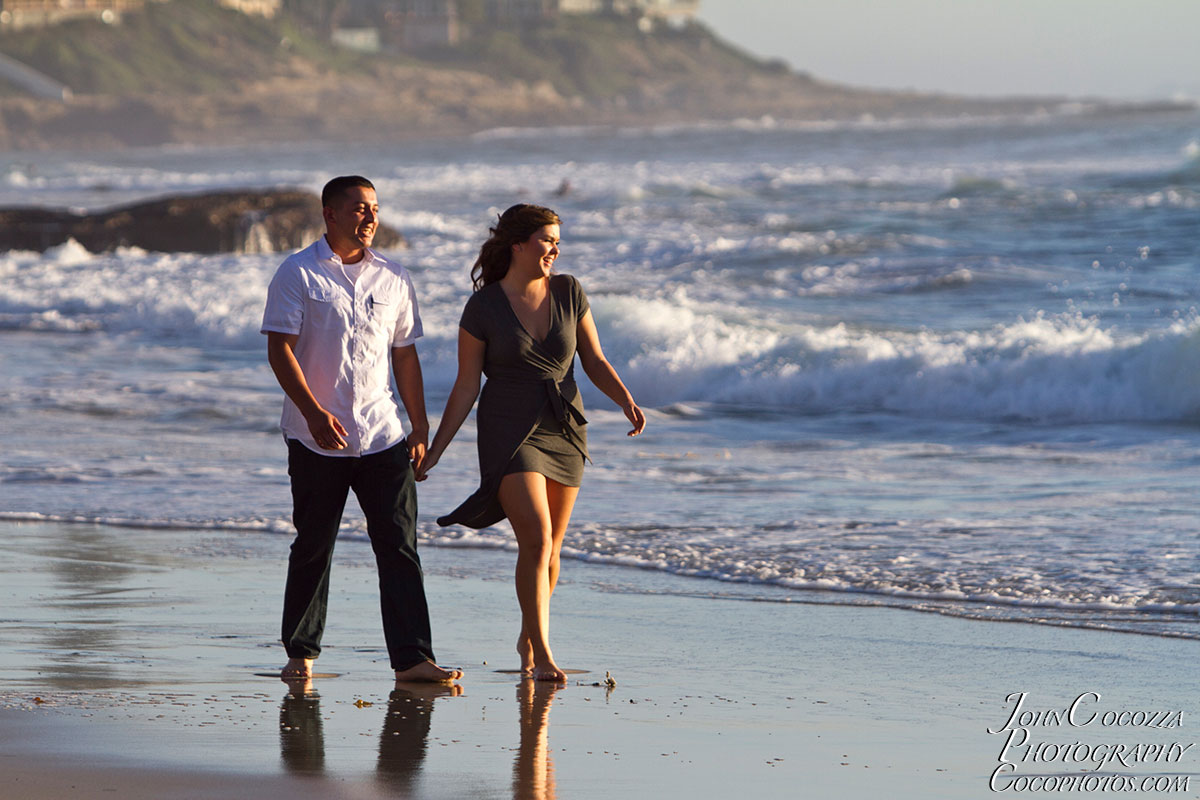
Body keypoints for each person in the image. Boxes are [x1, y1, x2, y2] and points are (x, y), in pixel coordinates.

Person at [417, 203, 646, 682]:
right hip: (508, 430)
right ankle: (542, 653)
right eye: (546, 239)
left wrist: (625, 400)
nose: (555, 249)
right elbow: (465, 387)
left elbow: (594, 359)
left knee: (553, 549)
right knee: (537, 539)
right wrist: (437, 449)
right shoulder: (483, 308)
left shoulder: (569, 290)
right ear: (517, 244)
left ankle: (528, 633)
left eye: (558, 240)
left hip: (564, 428)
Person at [261, 175, 461, 683]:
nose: (370, 217)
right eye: (358, 209)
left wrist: (419, 425)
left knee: (398, 546)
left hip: (382, 433)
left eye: (373, 208)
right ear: (329, 214)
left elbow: (405, 355)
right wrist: (311, 411)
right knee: (314, 544)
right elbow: (279, 349)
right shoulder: (298, 273)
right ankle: (300, 653)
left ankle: (414, 659)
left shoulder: (393, 277)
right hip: (316, 437)